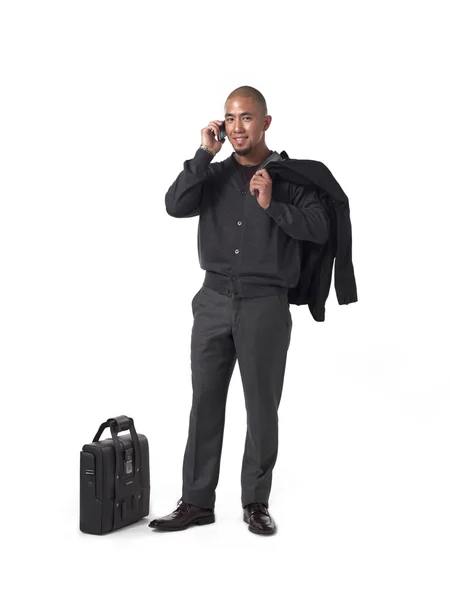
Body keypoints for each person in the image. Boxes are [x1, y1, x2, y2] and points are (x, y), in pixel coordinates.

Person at [149, 86, 329, 535]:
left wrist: (275, 206)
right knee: (204, 402)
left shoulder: (292, 178)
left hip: (265, 303)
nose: (236, 127)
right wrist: (201, 155)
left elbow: (320, 228)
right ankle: (196, 502)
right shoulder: (211, 173)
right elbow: (174, 205)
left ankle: (255, 502)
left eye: (246, 118)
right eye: (230, 119)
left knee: (261, 408)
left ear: (266, 122)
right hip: (211, 300)